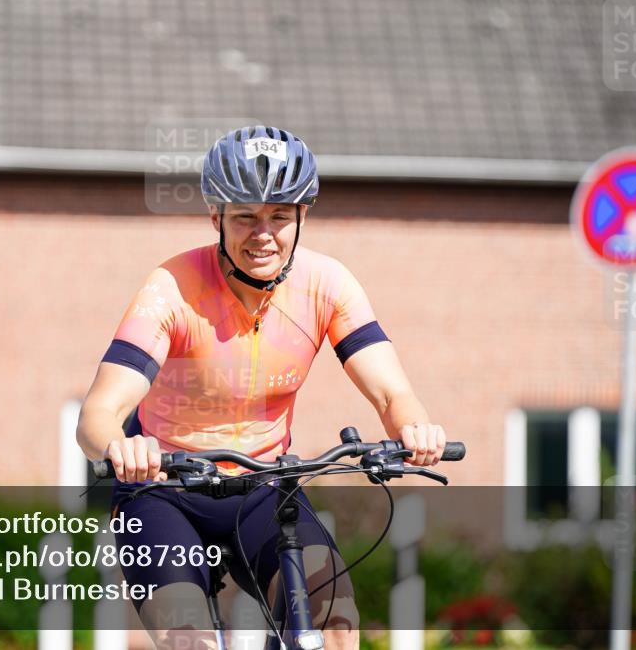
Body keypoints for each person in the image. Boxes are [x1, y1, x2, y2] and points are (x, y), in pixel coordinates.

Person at [76, 125, 448, 649]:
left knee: (334, 624)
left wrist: (414, 429)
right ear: (216, 218)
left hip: (264, 488)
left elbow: (391, 394)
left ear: (302, 218)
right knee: (189, 639)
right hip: (163, 489)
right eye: (246, 217)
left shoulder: (327, 286)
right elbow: (97, 414)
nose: (263, 234)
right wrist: (120, 444)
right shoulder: (171, 289)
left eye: (279, 216)